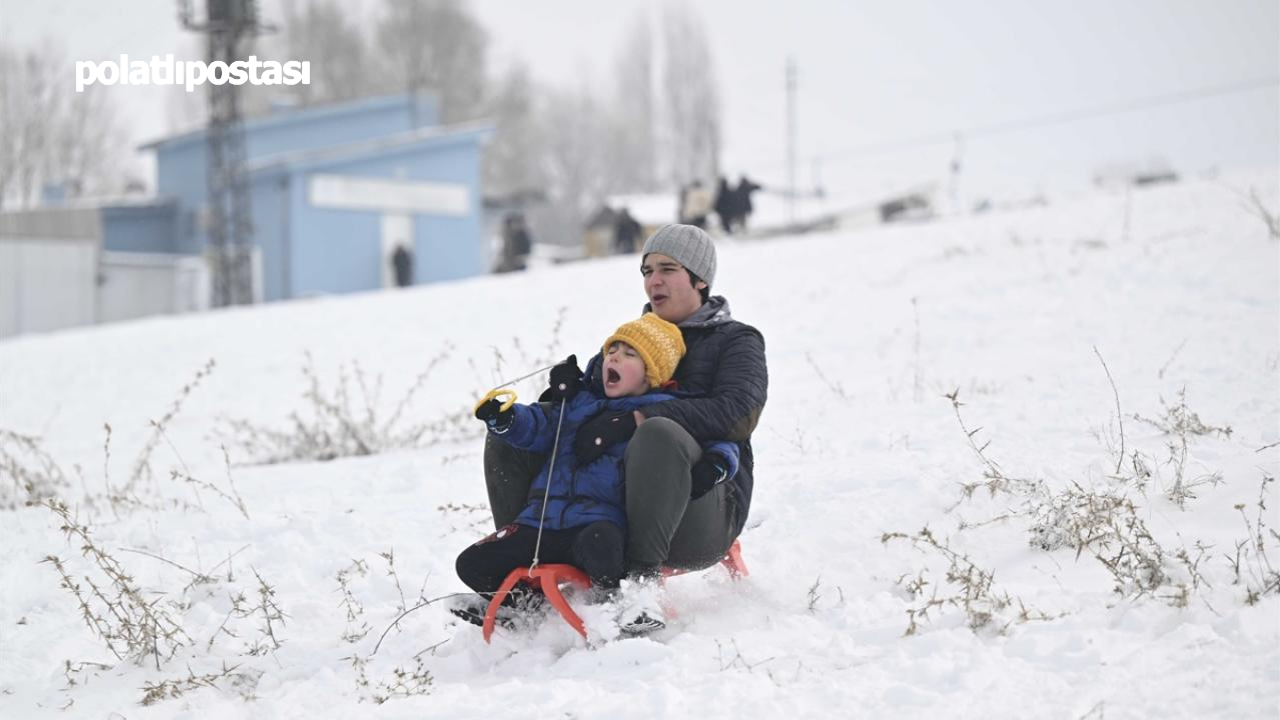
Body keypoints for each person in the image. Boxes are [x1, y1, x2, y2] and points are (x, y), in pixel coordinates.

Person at [483, 224, 767, 631]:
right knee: (509, 437)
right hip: (606, 516)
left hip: (700, 506)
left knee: (658, 433)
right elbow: (577, 420)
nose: (654, 280)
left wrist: (637, 419)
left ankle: (640, 586)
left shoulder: (736, 341)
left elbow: (738, 411)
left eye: (668, 269)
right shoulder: (631, 341)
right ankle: (523, 569)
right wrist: (562, 394)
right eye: (647, 270)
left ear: (700, 278)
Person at [454, 313, 741, 634]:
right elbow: (537, 424)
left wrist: (718, 463)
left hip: (596, 523)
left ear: (652, 374)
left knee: (604, 546)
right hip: (542, 523)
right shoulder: (577, 404)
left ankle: (618, 602)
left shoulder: (663, 409)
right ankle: (525, 608)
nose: (614, 357)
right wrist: (505, 419)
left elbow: (716, 440)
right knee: (471, 564)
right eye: (611, 351)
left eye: (629, 354)